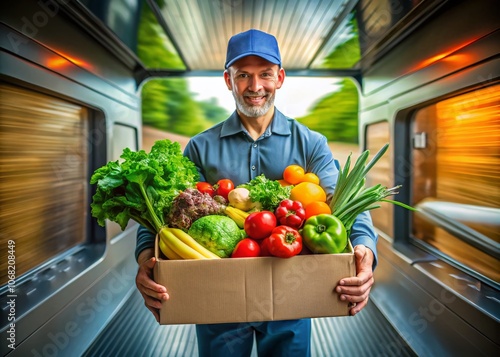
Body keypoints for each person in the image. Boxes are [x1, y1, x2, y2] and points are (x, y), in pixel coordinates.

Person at [135, 29, 377, 356]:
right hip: (216, 296)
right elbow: (162, 212)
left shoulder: (310, 143)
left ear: (280, 77)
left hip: (292, 294)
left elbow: (346, 201)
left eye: (265, 74)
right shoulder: (199, 147)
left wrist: (365, 249)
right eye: (243, 75)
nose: (255, 87)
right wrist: (146, 261)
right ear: (227, 80)